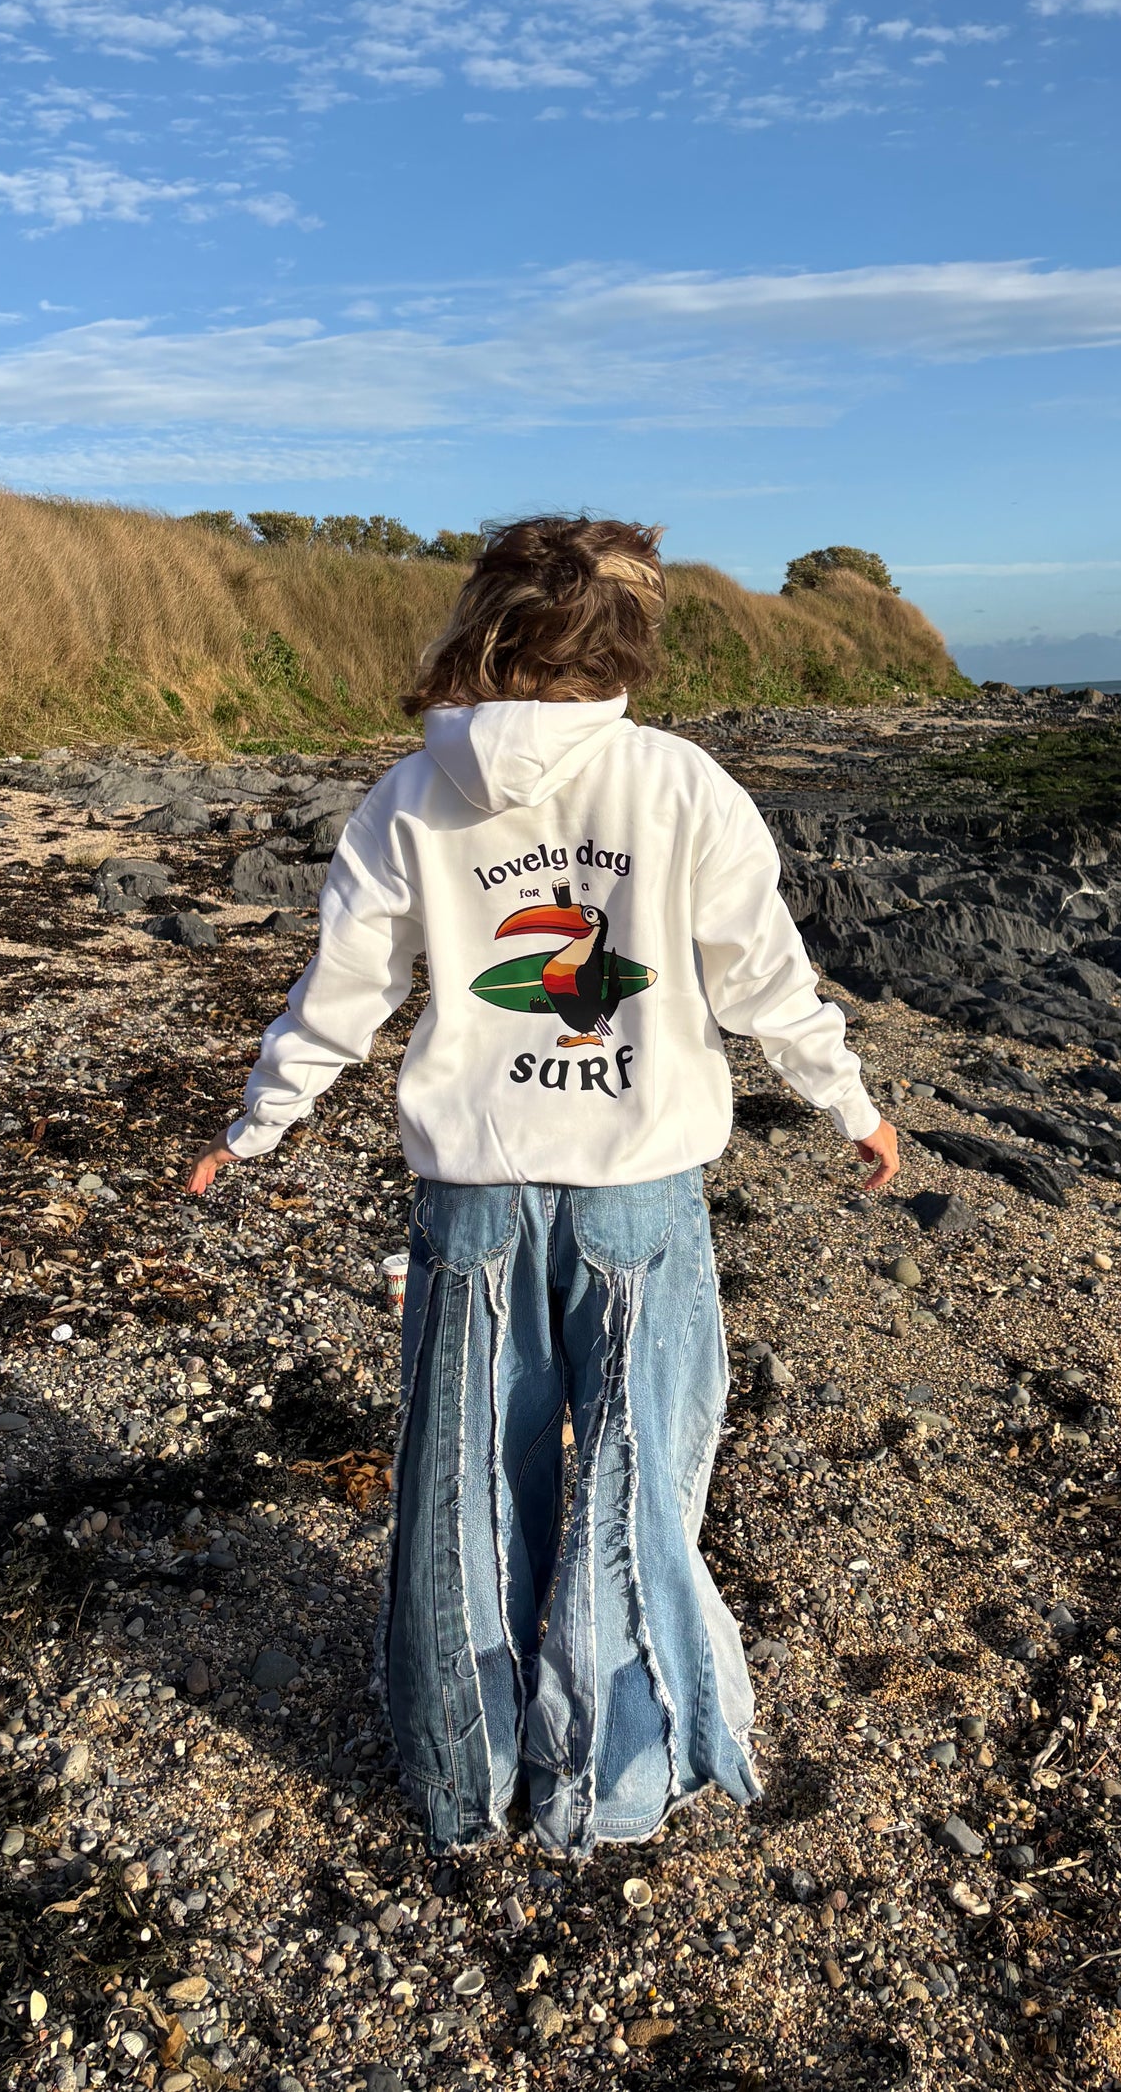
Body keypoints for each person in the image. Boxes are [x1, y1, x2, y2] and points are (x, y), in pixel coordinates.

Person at [186, 515, 899, 1856]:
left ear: (482, 625)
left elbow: (346, 993)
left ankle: (464, 1780)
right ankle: (613, 1778)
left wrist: (259, 1124)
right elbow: (761, 975)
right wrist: (847, 1103)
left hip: (473, 1196)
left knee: (462, 1481)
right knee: (636, 1481)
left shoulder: (411, 794)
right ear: (628, 641)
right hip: (637, 1195)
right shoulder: (679, 783)